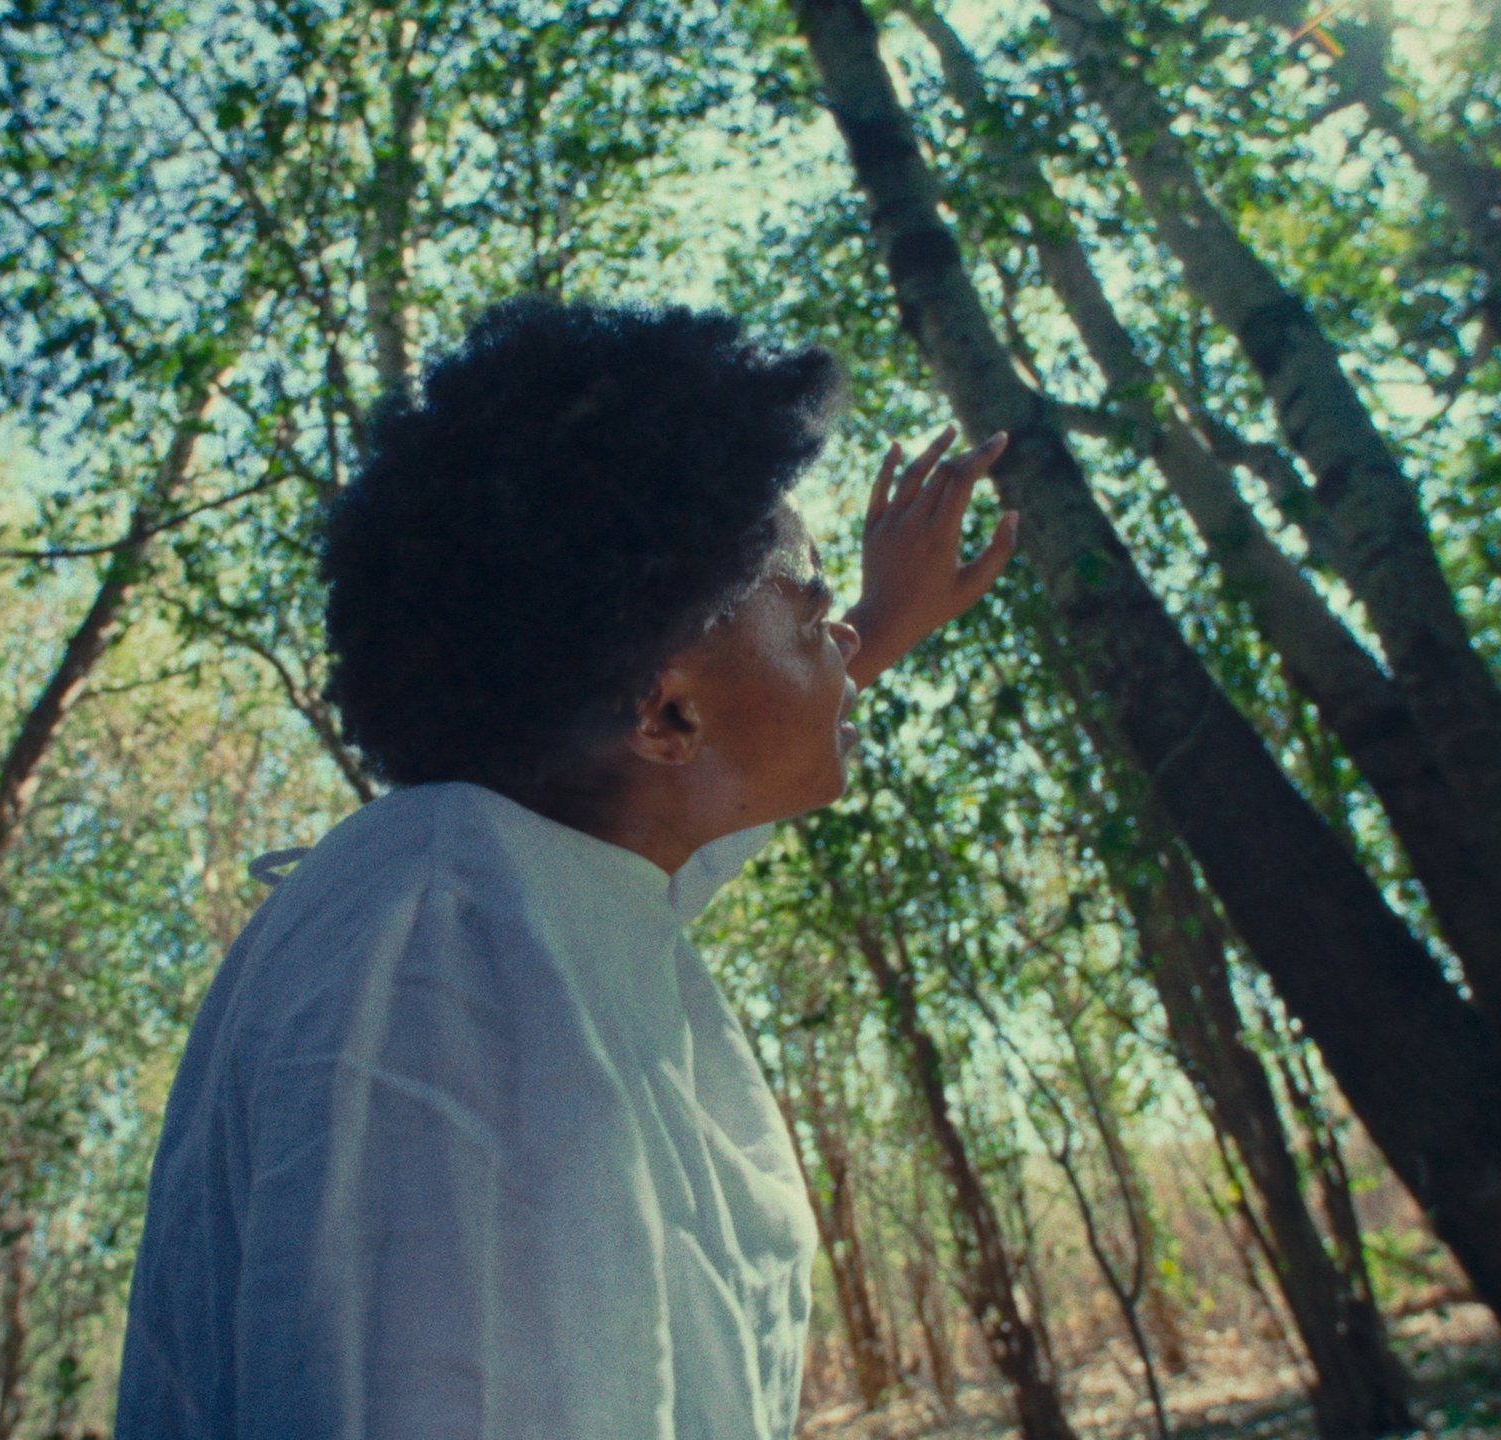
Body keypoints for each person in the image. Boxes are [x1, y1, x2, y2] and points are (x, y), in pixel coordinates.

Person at [115, 299, 1017, 1439]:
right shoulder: (442, 956)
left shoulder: (489, 888)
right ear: (668, 714)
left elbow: (666, 824)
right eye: (813, 608)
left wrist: (877, 623)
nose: (839, 639)